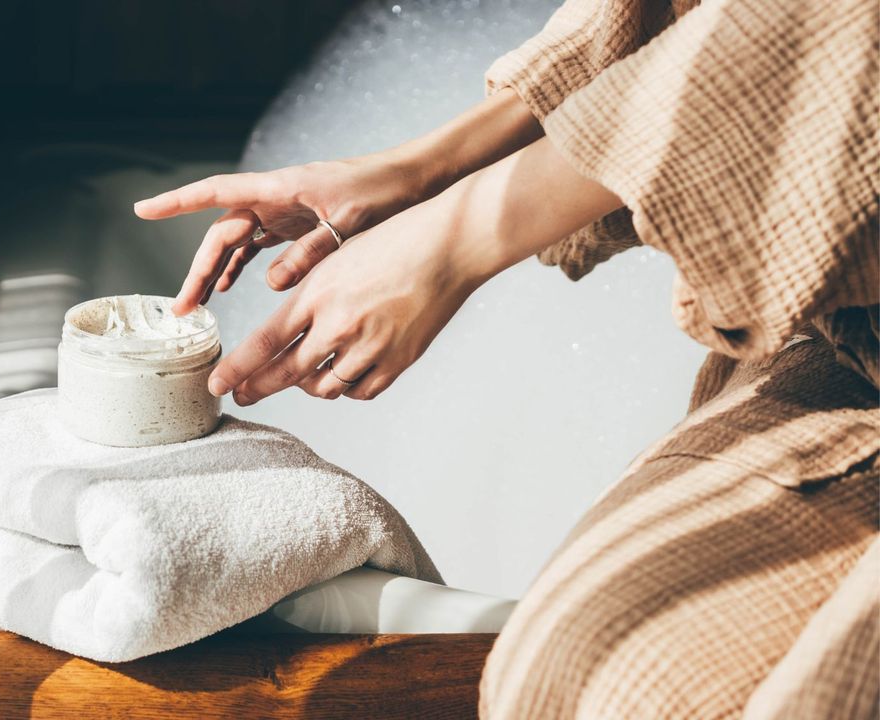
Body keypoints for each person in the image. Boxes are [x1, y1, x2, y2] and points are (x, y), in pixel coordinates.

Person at [134, 0, 879, 715]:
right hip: (853, 343)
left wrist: (451, 242)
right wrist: (413, 173)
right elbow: (679, 18)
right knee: (574, 674)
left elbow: (833, 31)